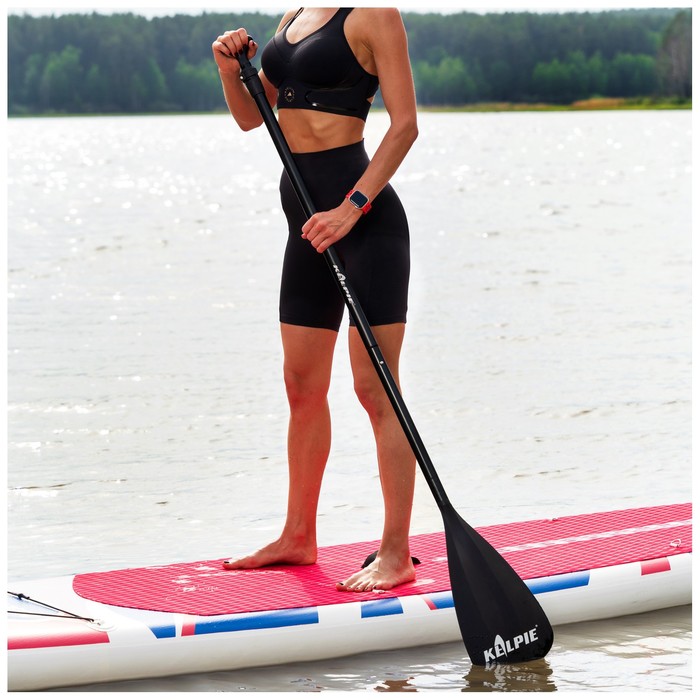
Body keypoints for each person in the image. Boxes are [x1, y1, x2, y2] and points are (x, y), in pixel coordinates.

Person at [212, 7, 419, 592]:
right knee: (301, 386)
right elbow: (252, 117)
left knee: (376, 389)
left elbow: (405, 126)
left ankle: (396, 553)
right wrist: (228, 67)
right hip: (303, 220)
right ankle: (298, 536)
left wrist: (351, 208)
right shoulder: (295, 14)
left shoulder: (375, 15)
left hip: (363, 222)